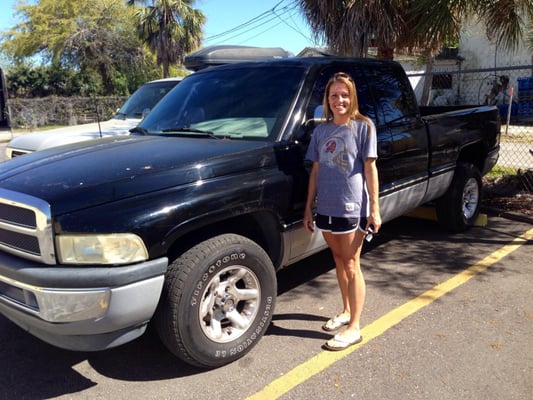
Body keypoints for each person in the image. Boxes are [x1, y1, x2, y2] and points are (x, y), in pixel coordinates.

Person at [303, 72, 381, 351]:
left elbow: (370, 169)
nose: (339, 100)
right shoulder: (321, 131)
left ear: (352, 97)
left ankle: (355, 327)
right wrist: (309, 207)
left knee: (351, 264)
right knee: (338, 259)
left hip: (352, 207)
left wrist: (375, 208)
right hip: (326, 206)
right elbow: (315, 170)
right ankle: (347, 310)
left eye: (344, 95)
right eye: (334, 95)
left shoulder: (363, 127)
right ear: (327, 99)